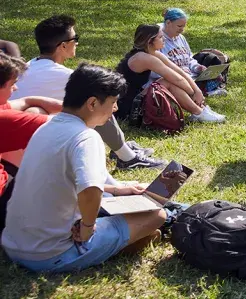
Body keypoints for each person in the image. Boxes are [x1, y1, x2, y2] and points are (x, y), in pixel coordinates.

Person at [1, 64, 167, 273]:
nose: (114, 109)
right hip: (50, 254)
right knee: (157, 215)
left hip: (14, 244)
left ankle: (129, 237)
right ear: (92, 103)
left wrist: (117, 189)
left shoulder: (45, 127)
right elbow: (89, 191)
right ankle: (121, 243)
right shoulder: (86, 137)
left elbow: (63, 178)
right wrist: (87, 229)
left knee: (126, 202)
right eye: (113, 102)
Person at [15, 15, 164, 169]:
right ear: (63, 46)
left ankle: (123, 148)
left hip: (23, 135)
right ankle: (127, 157)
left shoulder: (29, 66)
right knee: (97, 105)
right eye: (75, 38)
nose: (77, 42)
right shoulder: (64, 75)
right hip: (39, 139)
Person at [115, 23, 225, 123]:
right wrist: (194, 94)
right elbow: (176, 79)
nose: (164, 39)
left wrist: (197, 91)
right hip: (128, 106)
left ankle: (200, 110)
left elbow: (180, 72)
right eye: (160, 37)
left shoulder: (153, 53)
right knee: (168, 82)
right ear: (150, 41)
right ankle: (198, 112)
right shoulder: (143, 58)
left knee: (168, 81)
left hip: (137, 97)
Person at [0, 54, 50, 231]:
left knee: (34, 110)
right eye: (12, 83)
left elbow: (27, 101)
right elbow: (65, 125)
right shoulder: (5, 119)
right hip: (4, 208)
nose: (15, 88)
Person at [159, 8, 226, 96]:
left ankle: (205, 89)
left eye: (183, 26)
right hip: (176, 78)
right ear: (168, 23)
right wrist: (178, 71)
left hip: (191, 75)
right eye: (179, 26)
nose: (182, 29)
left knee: (215, 75)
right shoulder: (159, 40)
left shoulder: (181, 38)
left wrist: (197, 67)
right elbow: (159, 67)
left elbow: (189, 58)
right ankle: (204, 91)